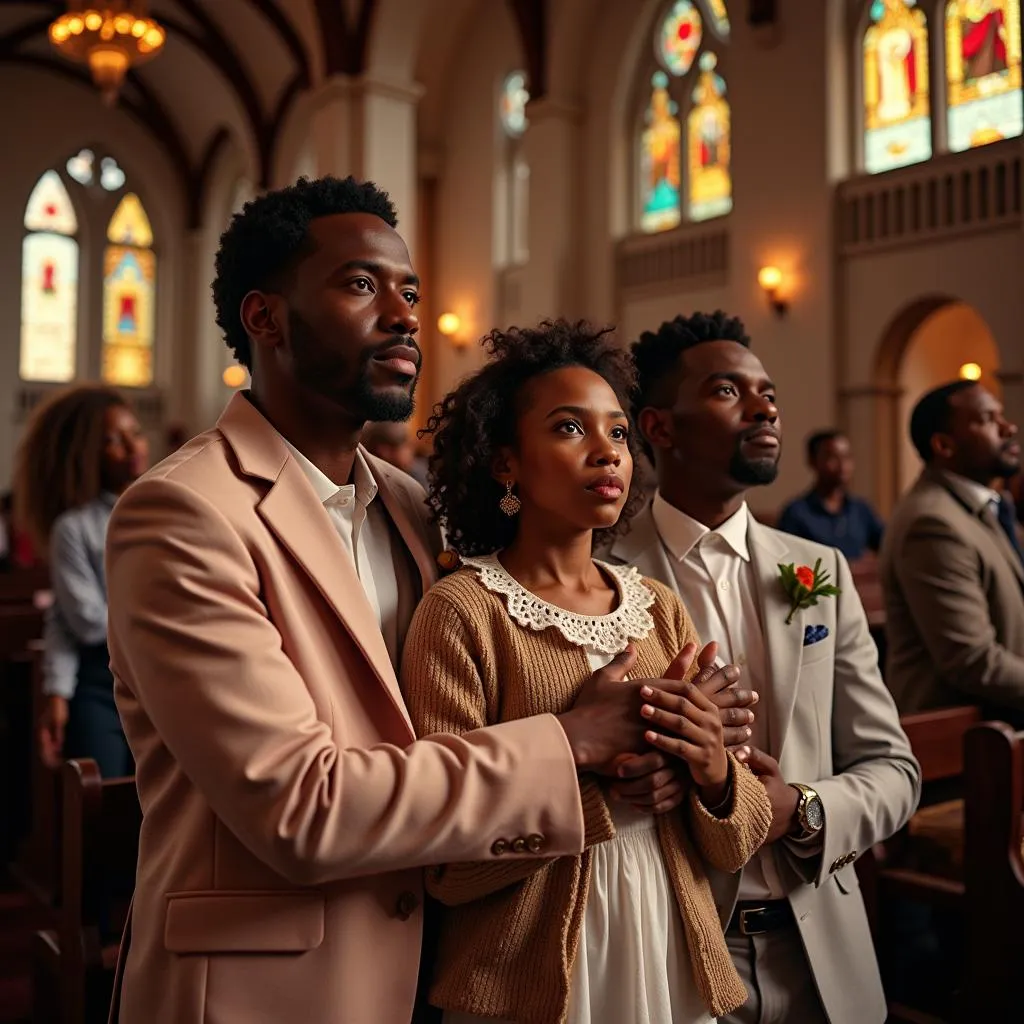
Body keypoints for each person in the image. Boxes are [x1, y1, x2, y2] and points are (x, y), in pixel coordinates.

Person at [103, 177, 741, 1024]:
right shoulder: (185, 511)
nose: (404, 315)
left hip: (440, 961)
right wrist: (573, 740)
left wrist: (684, 747)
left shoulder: (406, 505)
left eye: (410, 291)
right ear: (265, 319)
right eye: (360, 285)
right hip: (270, 985)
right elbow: (301, 806)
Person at [402, 320, 772, 1024]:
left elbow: (737, 838)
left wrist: (711, 771)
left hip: (668, 940)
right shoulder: (463, 613)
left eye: (619, 433)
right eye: (570, 429)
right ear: (505, 460)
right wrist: (603, 788)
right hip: (529, 973)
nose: (606, 452)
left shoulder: (659, 608)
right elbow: (444, 864)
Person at [609, 311, 920, 1024]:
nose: (764, 407)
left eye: (768, 391)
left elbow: (893, 772)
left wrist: (803, 809)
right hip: (668, 953)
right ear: (659, 428)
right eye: (728, 391)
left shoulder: (816, 570)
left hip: (817, 955)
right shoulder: (601, 568)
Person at [13, 385, 148, 778]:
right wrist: (58, 692)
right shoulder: (76, 528)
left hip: (158, 678)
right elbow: (83, 622)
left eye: (134, 433)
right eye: (111, 440)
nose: (130, 446)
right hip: (100, 682)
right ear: (89, 454)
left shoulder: (166, 509)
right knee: (101, 802)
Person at [882, 380, 1024, 722]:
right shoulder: (932, 522)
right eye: (989, 419)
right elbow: (972, 660)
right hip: (962, 741)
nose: (1009, 428)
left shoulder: (983, 506)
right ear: (944, 445)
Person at [777, 429, 885, 562]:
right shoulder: (796, 513)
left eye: (847, 457)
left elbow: (886, 546)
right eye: (833, 457)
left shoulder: (861, 509)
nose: (842, 465)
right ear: (812, 461)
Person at [363, 418, 429, 486]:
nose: (410, 451)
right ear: (385, 451)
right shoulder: (367, 476)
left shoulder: (422, 475)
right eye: (407, 445)